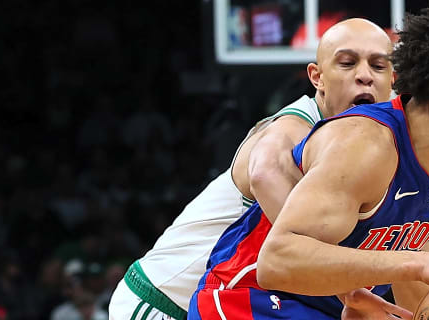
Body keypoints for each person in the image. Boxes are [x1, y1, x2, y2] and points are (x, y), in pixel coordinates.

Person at [188, 0, 429, 319]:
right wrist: (420, 263)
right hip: (248, 299)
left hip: (338, 308)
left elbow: (408, 274)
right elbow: (277, 260)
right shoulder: (366, 143)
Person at [108, 18, 396, 320]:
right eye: (348, 63)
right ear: (317, 78)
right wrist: (345, 281)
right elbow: (264, 173)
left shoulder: (379, 149)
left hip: (232, 307)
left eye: (378, 66)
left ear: (393, 79)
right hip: (165, 302)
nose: (364, 76)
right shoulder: (295, 126)